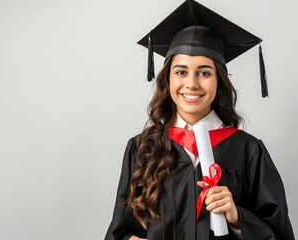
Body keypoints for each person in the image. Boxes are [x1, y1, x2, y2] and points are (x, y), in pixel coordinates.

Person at [104, 1, 295, 239]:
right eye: (181, 72)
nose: (192, 83)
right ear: (167, 80)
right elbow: (120, 230)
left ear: (219, 81)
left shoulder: (248, 150)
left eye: (204, 72)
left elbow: (279, 234)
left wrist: (236, 217)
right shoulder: (143, 148)